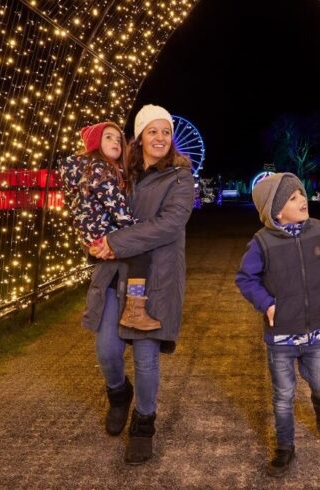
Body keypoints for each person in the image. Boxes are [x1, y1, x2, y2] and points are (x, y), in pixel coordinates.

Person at [235, 173, 320, 478]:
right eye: (292, 198)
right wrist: (267, 303)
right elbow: (245, 278)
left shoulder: (318, 230)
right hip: (280, 336)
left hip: (315, 333)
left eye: (301, 194)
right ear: (276, 210)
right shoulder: (262, 243)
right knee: (283, 396)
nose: (302, 200)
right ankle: (284, 447)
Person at [86, 104, 195, 465]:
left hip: (155, 278)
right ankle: (119, 395)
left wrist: (116, 242)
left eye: (166, 131)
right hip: (116, 275)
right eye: (153, 131)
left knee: (146, 358)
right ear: (140, 137)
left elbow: (169, 225)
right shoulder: (120, 175)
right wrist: (95, 239)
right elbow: (96, 208)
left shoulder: (180, 178)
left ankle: (144, 424)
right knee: (107, 350)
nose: (160, 137)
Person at [58, 122, 160, 331]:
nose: (115, 142)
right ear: (95, 143)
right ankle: (134, 311)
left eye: (117, 139)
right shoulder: (100, 168)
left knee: (101, 277)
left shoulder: (85, 169)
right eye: (108, 137)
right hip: (104, 232)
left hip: (92, 234)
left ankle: (91, 317)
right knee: (141, 255)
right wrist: (136, 229)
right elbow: (115, 205)